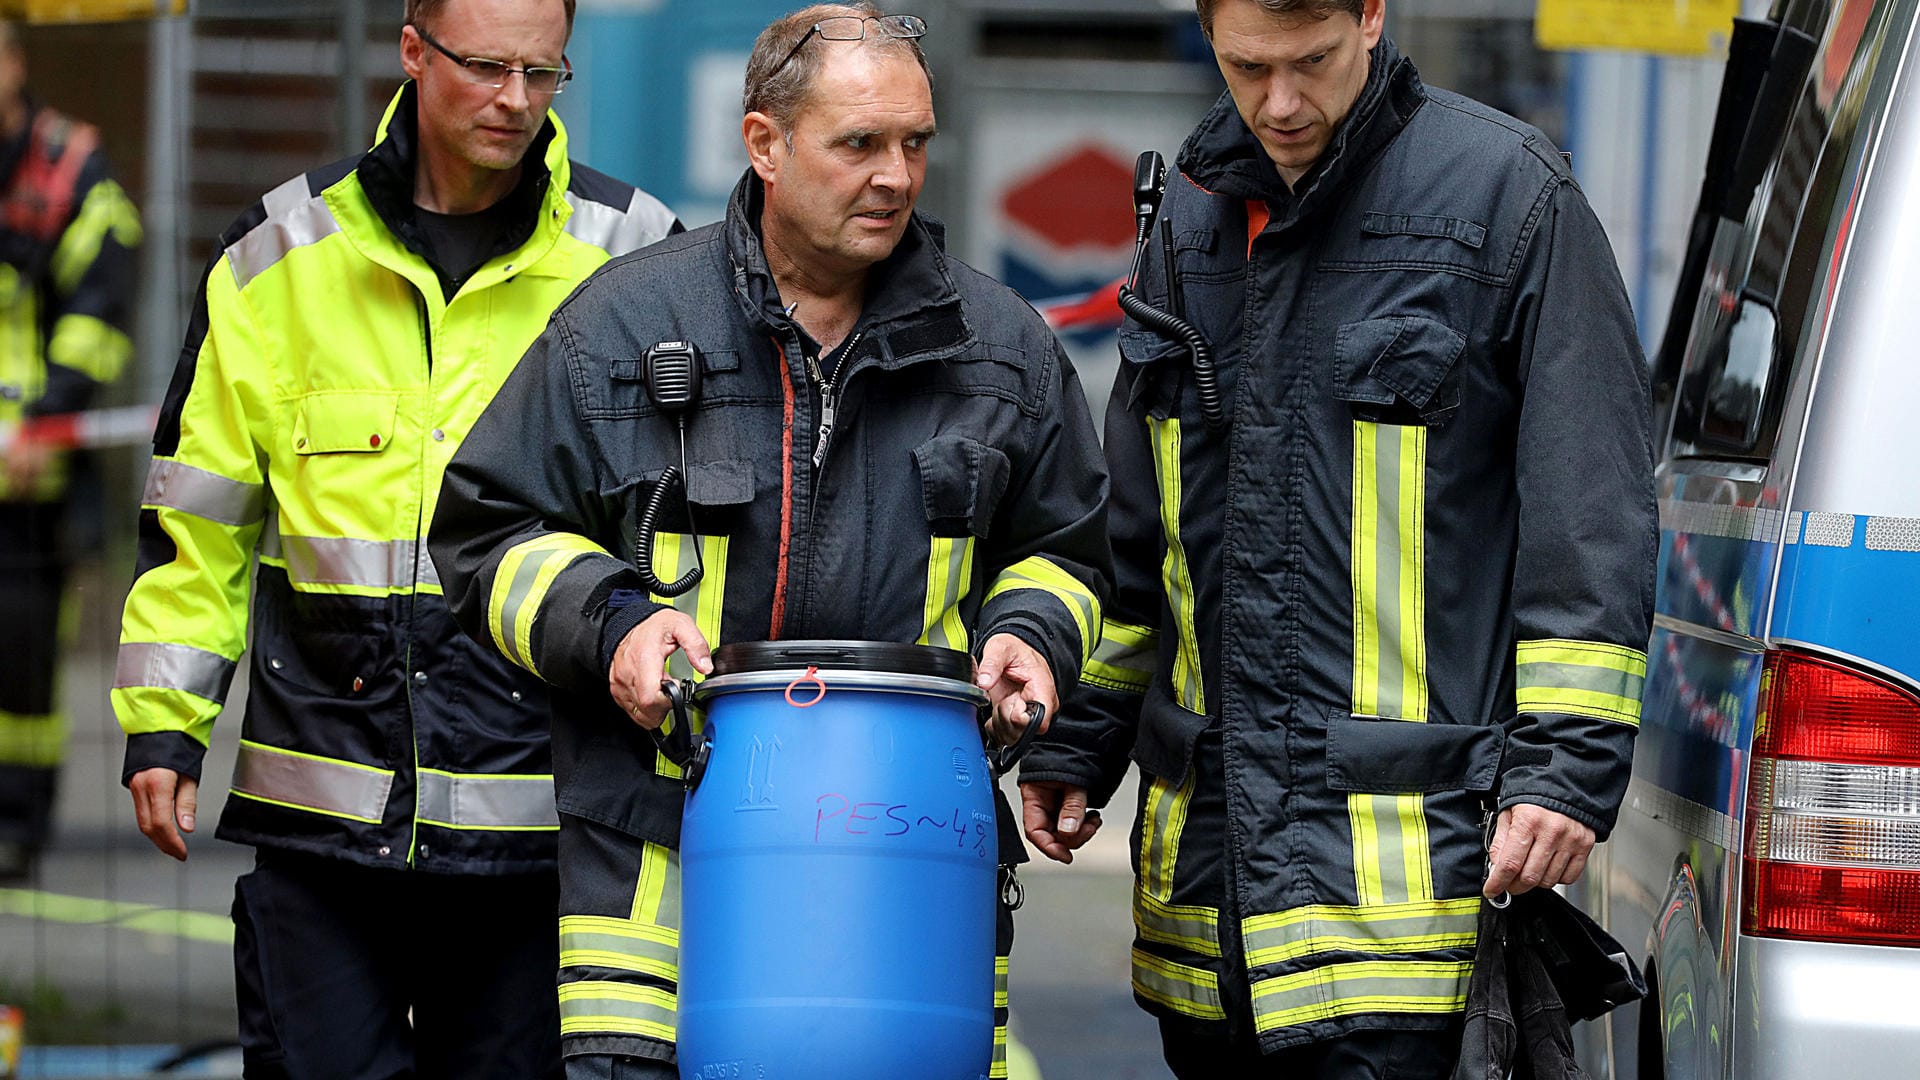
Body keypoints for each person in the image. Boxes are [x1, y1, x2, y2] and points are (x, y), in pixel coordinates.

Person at [429, 5, 1110, 1076]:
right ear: (764, 143)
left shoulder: (1000, 353)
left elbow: (1072, 551)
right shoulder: (621, 327)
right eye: (860, 144)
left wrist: (1032, 632)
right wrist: (611, 626)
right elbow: (489, 531)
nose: (895, 175)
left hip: (905, 870)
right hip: (660, 879)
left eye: (915, 143)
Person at [1016, 0, 1657, 1076]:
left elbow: (1588, 512)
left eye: (1308, 63)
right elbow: (1144, 531)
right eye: (1245, 65)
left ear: (1371, 14)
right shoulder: (1189, 217)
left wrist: (1564, 768)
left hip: (1406, 913)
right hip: (1214, 919)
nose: (1278, 103)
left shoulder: (1507, 199)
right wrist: (1083, 735)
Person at [111, 0, 678, 1073]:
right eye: (484, 68)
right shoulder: (275, 257)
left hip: (540, 832)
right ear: (412, 52)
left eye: (542, 72)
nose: (516, 100)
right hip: (321, 820)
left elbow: (687, 532)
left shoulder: (637, 255)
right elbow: (200, 522)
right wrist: (164, 725)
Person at [0, 20, 141, 883]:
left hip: (29, 473)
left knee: (20, 666)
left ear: (15, 64)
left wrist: (48, 417)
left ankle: (16, 827)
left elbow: (99, 310)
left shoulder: (68, 172)